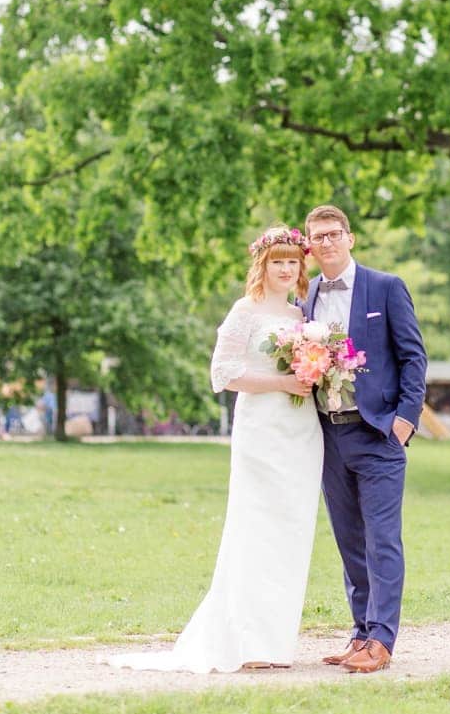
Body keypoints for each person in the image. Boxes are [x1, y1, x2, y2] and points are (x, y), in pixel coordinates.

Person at [110, 227, 319, 673]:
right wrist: (283, 382)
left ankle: (275, 642)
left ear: (302, 267)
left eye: (292, 262)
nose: (285, 269)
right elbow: (222, 373)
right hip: (261, 428)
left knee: (292, 529)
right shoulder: (245, 311)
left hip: (302, 430)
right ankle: (244, 639)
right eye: (277, 261)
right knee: (256, 524)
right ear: (262, 266)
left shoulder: (303, 315)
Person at [302, 204, 427, 674]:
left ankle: (382, 640)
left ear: (350, 239)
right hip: (329, 438)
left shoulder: (386, 287)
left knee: (381, 541)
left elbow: (414, 357)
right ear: (310, 246)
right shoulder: (308, 294)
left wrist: (405, 420)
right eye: (319, 236)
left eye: (335, 233)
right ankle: (360, 634)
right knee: (349, 541)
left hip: (378, 433)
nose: (327, 242)